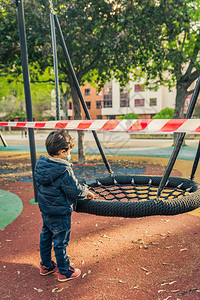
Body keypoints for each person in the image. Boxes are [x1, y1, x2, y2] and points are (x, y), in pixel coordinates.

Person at [34, 129, 95, 282]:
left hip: (46, 210)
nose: (70, 155)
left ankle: (46, 265)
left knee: (46, 237)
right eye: (69, 152)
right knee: (60, 242)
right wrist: (86, 192)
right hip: (60, 212)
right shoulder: (63, 169)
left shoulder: (41, 164)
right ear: (62, 152)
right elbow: (73, 190)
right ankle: (64, 271)